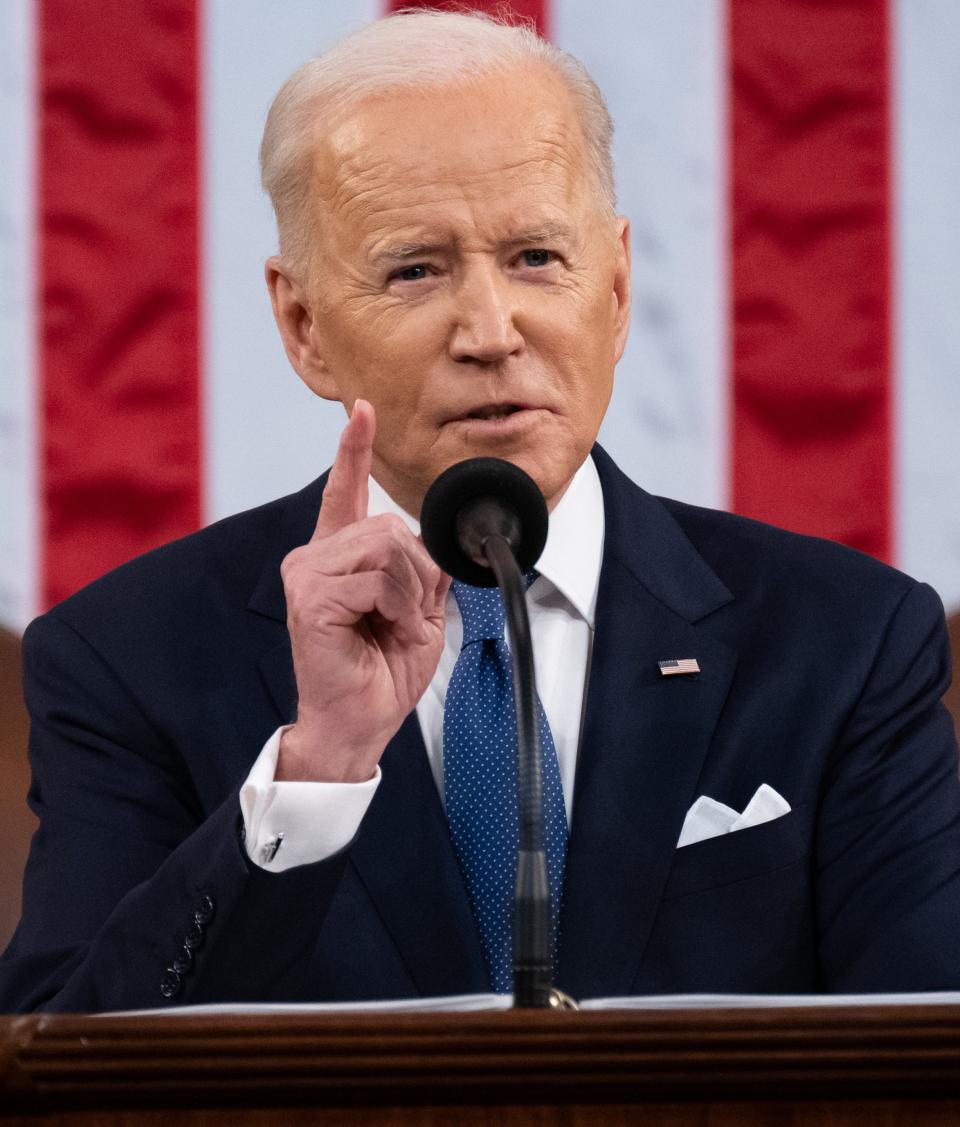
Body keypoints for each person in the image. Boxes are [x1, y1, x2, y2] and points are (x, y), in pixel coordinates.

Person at [2, 10, 958, 1014]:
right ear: (304, 325)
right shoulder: (127, 657)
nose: (492, 332)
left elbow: (927, 1061)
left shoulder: (846, 640)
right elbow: (62, 1066)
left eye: (538, 257)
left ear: (619, 286)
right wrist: (316, 769)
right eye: (415, 269)